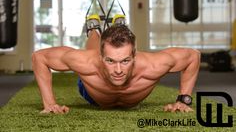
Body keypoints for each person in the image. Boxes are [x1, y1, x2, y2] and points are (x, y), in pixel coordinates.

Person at [32, 23, 200, 114]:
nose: (118, 70)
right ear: (101, 57)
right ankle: (94, 29)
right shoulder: (87, 61)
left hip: (125, 95)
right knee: (88, 52)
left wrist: (183, 100)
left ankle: (113, 27)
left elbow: (193, 56)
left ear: (135, 55)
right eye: (110, 61)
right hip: (92, 92)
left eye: (126, 60)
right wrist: (50, 104)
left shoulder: (155, 64)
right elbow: (39, 57)